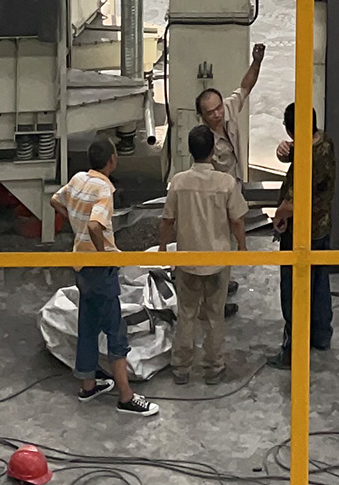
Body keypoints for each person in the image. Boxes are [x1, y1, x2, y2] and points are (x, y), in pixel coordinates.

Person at [49, 136, 157, 416]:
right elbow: (96, 226)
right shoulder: (104, 189)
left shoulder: (78, 179)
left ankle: (88, 385)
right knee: (115, 330)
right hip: (99, 269)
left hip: (81, 266)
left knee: (88, 324)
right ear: (112, 160)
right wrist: (102, 254)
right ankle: (126, 397)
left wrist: (75, 225)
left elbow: (55, 200)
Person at [158, 124, 247, 382]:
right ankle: (213, 368)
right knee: (214, 316)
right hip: (218, 261)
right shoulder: (226, 183)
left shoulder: (178, 182)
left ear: (190, 151)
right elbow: (237, 220)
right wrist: (242, 247)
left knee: (186, 314)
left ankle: (181, 368)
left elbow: (167, 220)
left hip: (186, 262)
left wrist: (163, 249)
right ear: (212, 151)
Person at [267, 102, 334, 367]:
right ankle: (321, 336)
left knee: (294, 290)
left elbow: (292, 204)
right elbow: (298, 152)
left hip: (300, 233)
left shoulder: (309, 157)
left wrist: (279, 218)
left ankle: (292, 350)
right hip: (322, 227)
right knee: (319, 284)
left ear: (290, 129)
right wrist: (285, 151)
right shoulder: (324, 142)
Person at [193, 43, 265, 186]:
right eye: (210, 113)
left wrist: (256, 62)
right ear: (201, 115)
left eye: (218, 108)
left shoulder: (228, 108)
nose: (217, 114)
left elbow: (245, 88)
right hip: (218, 190)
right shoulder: (203, 140)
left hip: (237, 183)